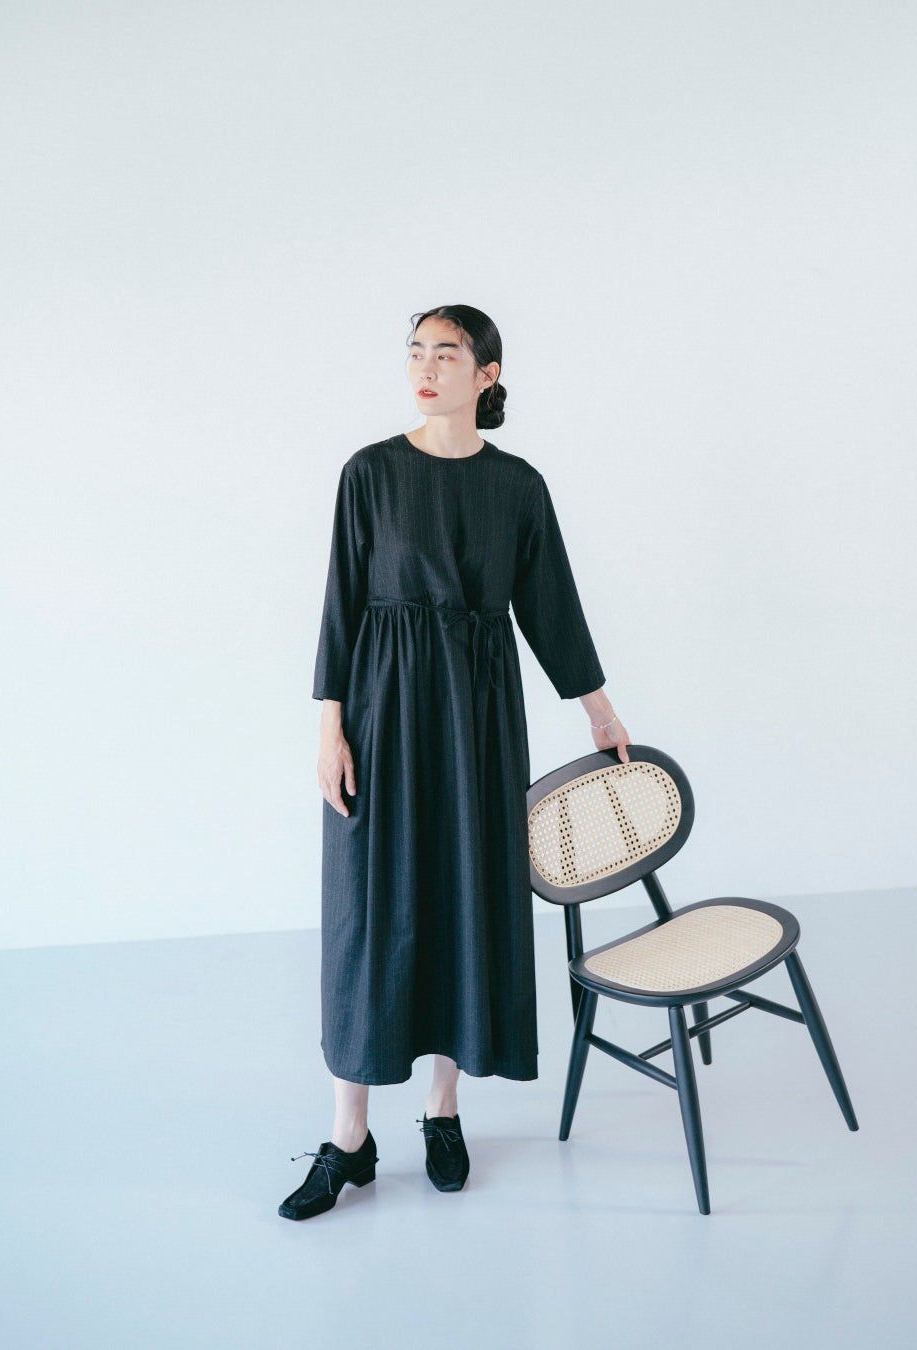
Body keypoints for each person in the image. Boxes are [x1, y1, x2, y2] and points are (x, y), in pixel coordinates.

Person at [279, 304, 631, 1220]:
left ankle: (443, 1111)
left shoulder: (517, 486)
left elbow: (552, 606)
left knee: (463, 896)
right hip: (383, 707)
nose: (425, 368)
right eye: (415, 353)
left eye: (446, 353)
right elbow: (341, 602)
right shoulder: (370, 473)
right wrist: (329, 727)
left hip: (476, 715)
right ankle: (349, 1139)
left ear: (488, 374)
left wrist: (599, 711)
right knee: (368, 907)